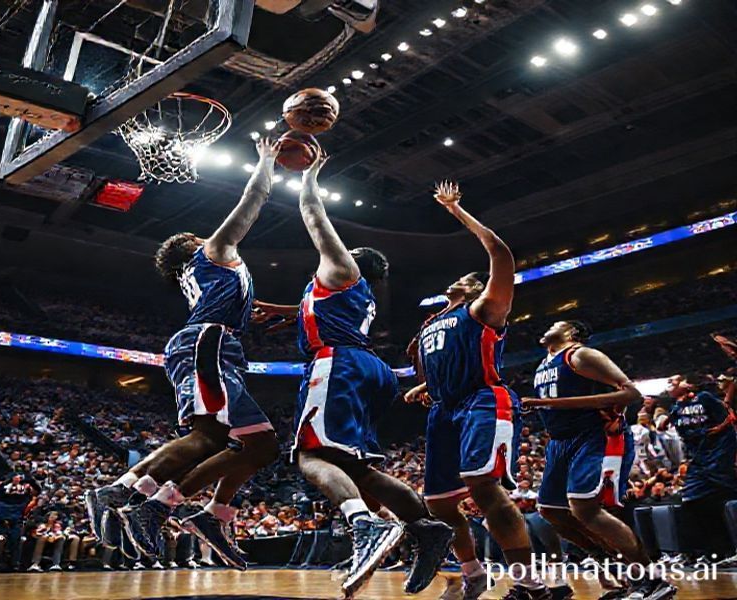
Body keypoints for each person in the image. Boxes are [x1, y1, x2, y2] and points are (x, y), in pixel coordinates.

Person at [255, 156, 453, 598]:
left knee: (309, 456)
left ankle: (365, 525)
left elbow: (313, 216)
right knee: (355, 467)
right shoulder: (342, 293)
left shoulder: (342, 271)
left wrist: (308, 179)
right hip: (365, 367)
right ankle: (426, 528)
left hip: (338, 365)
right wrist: (284, 311)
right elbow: (319, 310)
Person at [88, 137, 282, 568]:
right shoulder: (213, 252)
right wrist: (267, 161)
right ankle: (127, 495)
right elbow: (253, 199)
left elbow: (247, 303)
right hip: (207, 342)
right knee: (220, 437)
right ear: (194, 243)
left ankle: (156, 504)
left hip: (213, 342)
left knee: (247, 443)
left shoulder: (209, 276)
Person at [404, 181, 550, 600]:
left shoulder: (483, 309)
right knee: (438, 502)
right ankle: (472, 573)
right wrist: (424, 385)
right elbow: (441, 367)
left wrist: (456, 212)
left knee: (483, 486)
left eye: (462, 280)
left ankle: (528, 583)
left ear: (475, 287)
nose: (453, 282)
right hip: (445, 409)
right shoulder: (431, 323)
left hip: (484, 401)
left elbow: (500, 255)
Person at [524, 320, 676, 600]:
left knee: (585, 509)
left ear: (571, 332)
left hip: (595, 436)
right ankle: (608, 561)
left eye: (556, 323)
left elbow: (631, 394)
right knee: (551, 511)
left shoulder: (581, 354)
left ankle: (651, 579)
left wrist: (546, 404)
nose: (547, 327)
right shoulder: (544, 364)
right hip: (560, 442)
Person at [666, 374, 737, 563]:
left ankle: (730, 550)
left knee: (726, 499)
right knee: (691, 502)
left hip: (719, 454)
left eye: (673, 381)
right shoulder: (675, 409)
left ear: (688, 385)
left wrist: (719, 429)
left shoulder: (704, 398)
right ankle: (707, 551)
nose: (669, 385)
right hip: (698, 460)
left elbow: (729, 418)